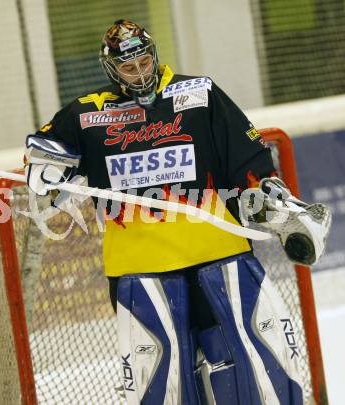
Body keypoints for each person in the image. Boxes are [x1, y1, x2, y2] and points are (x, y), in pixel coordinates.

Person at [24, 20, 331, 405]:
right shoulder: (87, 114)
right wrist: (43, 171)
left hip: (219, 252)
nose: (139, 73)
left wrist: (273, 203)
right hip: (139, 267)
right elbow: (42, 157)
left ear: (153, 55)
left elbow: (246, 159)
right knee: (164, 383)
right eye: (128, 67)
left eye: (144, 62)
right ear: (111, 69)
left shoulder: (198, 92)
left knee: (257, 360)